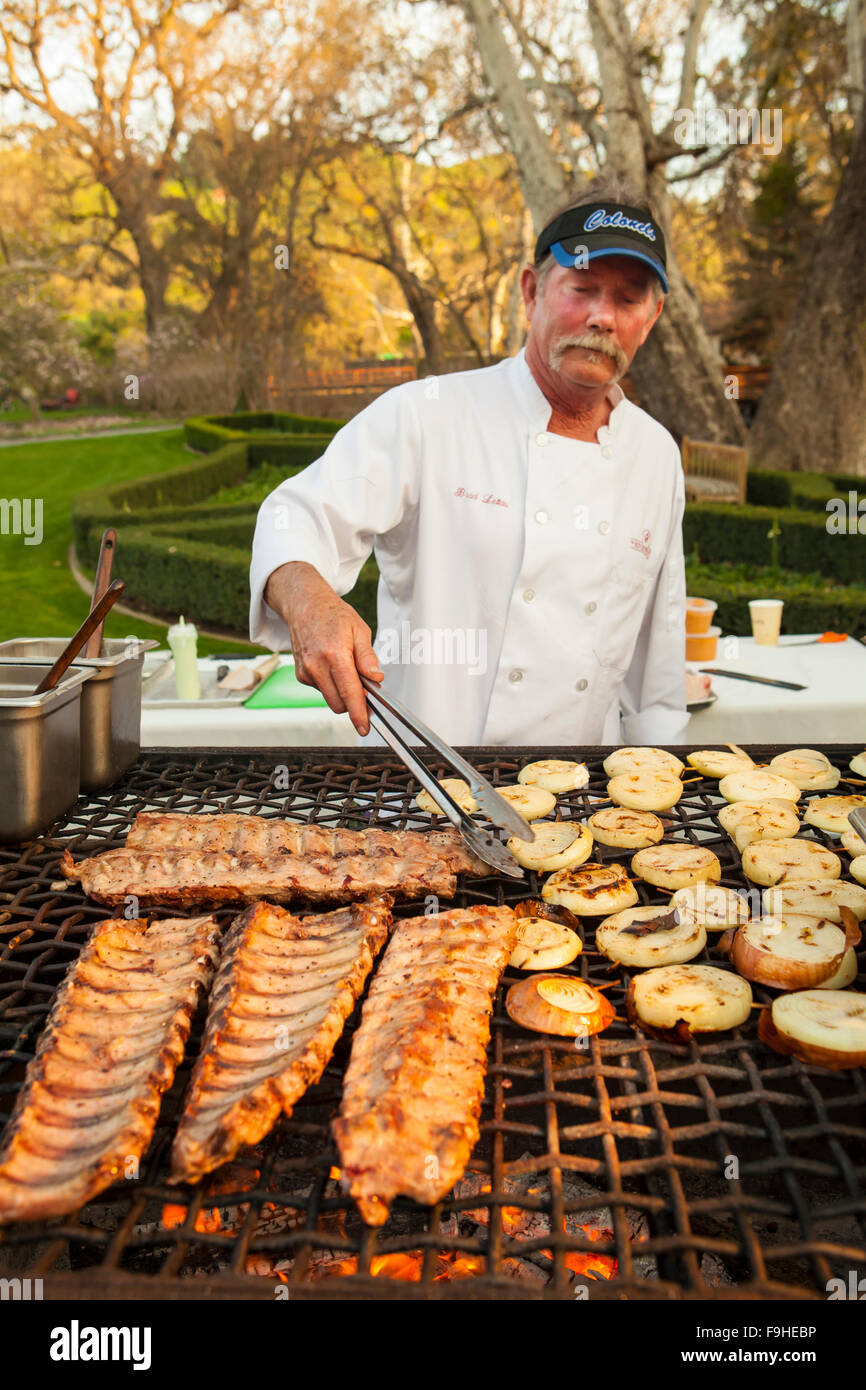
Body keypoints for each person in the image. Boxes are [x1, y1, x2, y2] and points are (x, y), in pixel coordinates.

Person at [250, 174, 690, 745]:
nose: (602, 317)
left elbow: (655, 681)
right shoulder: (428, 414)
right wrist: (309, 602)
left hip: (582, 803)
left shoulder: (655, 455)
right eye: (581, 288)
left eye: (628, 298)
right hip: (427, 793)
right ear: (531, 291)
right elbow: (295, 516)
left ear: (650, 318)